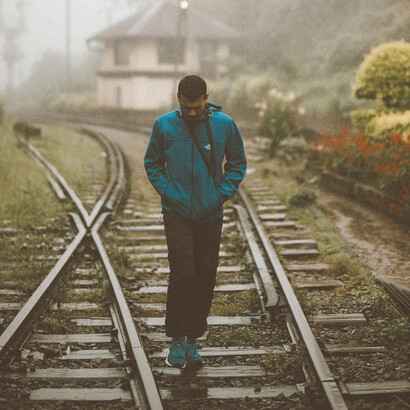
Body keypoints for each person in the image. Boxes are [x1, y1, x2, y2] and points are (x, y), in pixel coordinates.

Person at [144, 75, 246, 368]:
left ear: (206, 98)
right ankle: (176, 339)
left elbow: (237, 163)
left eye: (197, 107)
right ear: (178, 99)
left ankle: (192, 340)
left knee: (204, 276)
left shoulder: (224, 125)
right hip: (176, 212)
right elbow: (152, 163)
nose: (191, 113)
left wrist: (220, 194)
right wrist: (168, 192)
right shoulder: (164, 125)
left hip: (209, 213)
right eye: (186, 107)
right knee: (183, 273)